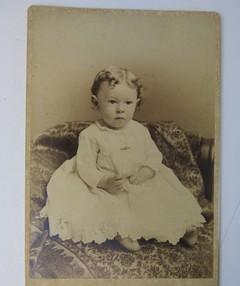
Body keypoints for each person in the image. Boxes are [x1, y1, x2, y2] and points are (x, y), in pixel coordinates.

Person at [41, 66, 205, 251]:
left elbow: (153, 154)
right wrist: (103, 181)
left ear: (137, 103)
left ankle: (184, 228)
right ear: (96, 103)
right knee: (106, 205)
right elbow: (84, 167)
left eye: (128, 103)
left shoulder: (139, 130)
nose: (120, 109)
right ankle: (120, 232)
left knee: (161, 201)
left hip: (139, 180)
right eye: (112, 102)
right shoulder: (91, 135)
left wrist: (148, 170)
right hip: (109, 185)